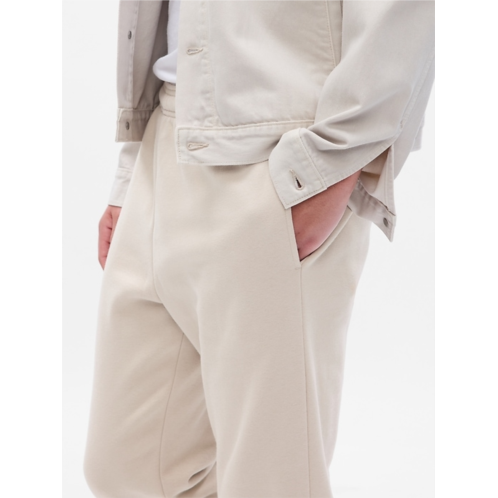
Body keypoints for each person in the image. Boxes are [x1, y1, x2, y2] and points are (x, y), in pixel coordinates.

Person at [84, 1, 435, 497]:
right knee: (127, 469)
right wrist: (129, 168)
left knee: (271, 481)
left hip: (277, 159)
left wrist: (329, 167)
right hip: (163, 138)